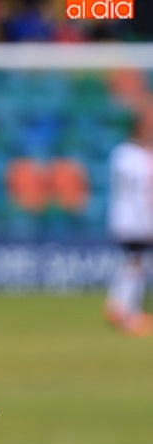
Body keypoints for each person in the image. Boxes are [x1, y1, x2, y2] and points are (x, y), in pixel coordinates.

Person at [104, 104, 153, 337]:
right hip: (138, 219)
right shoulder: (139, 157)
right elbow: (142, 191)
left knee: (133, 263)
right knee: (136, 264)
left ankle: (119, 307)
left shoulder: (120, 153)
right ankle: (127, 312)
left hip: (123, 217)